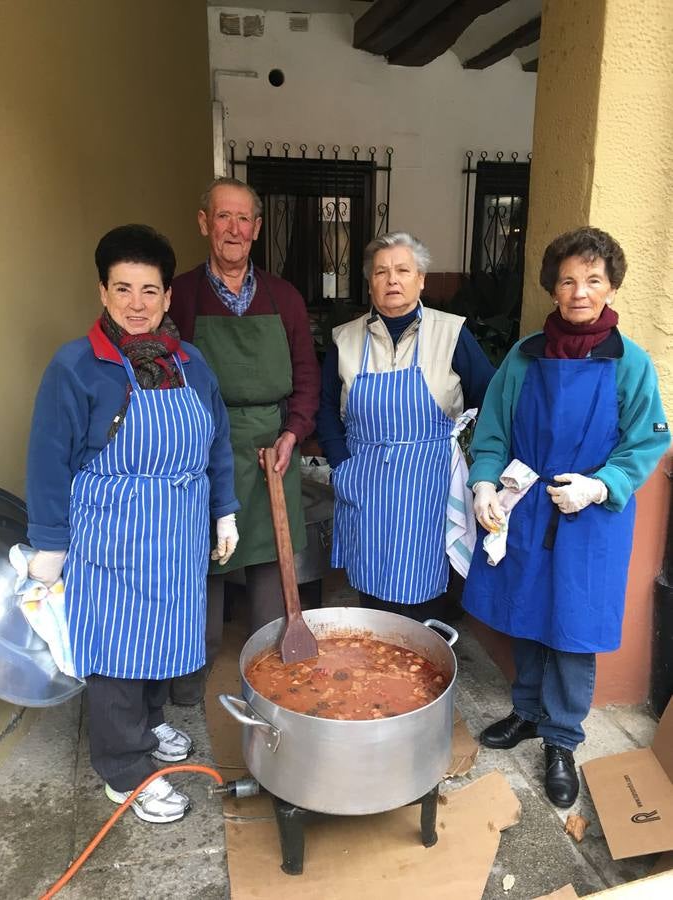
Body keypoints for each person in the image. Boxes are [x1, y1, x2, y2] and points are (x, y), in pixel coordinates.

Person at [26, 225, 239, 823]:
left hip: (176, 533)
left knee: (164, 643)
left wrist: (223, 509)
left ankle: (147, 728)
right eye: (123, 288)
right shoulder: (77, 366)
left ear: (169, 296)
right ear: (102, 291)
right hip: (112, 533)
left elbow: (217, 443)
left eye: (150, 290)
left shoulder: (192, 364)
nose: (137, 304)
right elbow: (47, 458)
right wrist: (49, 544)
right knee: (117, 652)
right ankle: (124, 770)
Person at [462, 226, 670, 808]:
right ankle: (526, 713)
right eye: (568, 280)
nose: (580, 292)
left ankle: (561, 740)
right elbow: (494, 427)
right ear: (553, 288)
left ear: (611, 288)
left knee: (573, 631)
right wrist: (483, 480)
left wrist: (602, 485)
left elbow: (646, 442)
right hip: (526, 508)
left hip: (589, 518)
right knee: (527, 613)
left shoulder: (630, 364)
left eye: (593, 280)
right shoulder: (526, 355)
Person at [168, 177, 320, 702]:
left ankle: (268, 666)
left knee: (267, 563)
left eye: (243, 219)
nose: (233, 229)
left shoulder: (285, 297)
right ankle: (192, 670)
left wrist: (293, 431)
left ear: (256, 229)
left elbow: (307, 375)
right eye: (222, 217)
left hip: (269, 445)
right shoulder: (181, 294)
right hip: (199, 445)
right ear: (204, 222)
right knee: (200, 557)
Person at [316, 232, 494, 621]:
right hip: (364, 480)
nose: (392, 280)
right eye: (381, 272)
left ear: (422, 279)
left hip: (428, 486)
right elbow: (326, 409)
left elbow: (491, 401)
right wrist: (341, 463)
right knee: (371, 590)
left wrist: (474, 464)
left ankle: (423, 668)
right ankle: (380, 666)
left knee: (425, 596)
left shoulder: (451, 333)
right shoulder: (346, 339)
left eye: (402, 270)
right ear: (370, 283)